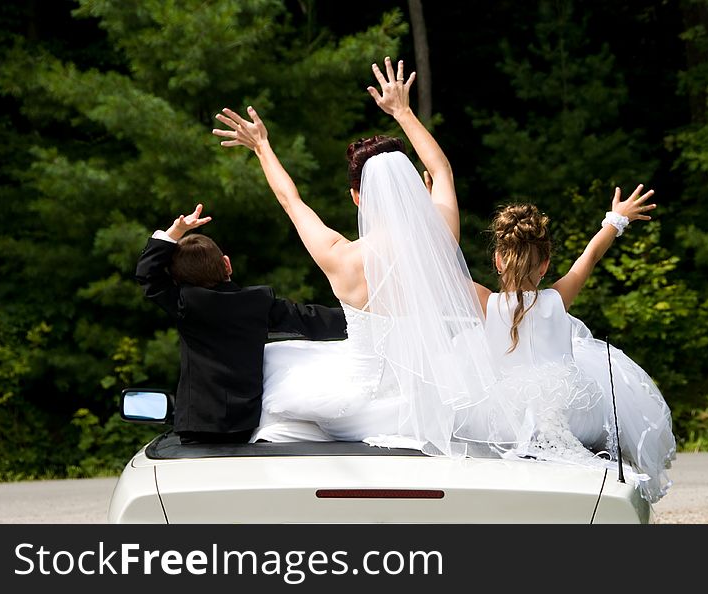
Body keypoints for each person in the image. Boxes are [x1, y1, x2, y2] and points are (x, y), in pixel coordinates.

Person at [213, 57, 495, 456]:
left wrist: (262, 147)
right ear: (413, 190)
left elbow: (291, 202)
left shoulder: (340, 257)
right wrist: (403, 112)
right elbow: (443, 170)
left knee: (278, 358)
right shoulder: (439, 239)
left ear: (356, 197)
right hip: (430, 402)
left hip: (355, 408)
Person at [464, 192, 677, 503]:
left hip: (504, 414)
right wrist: (617, 219)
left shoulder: (484, 302)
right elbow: (589, 256)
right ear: (546, 263)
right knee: (593, 410)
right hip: (566, 408)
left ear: (498, 260)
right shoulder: (557, 299)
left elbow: (439, 273)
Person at [135, 204, 348, 445]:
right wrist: (366, 318)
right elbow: (312, 320)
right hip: (245, 423)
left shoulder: (187, 303)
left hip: (198, 424)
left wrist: (174, 231)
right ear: (227, 264)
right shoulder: (258, 302)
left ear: (177, 279)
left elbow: (147, 274)